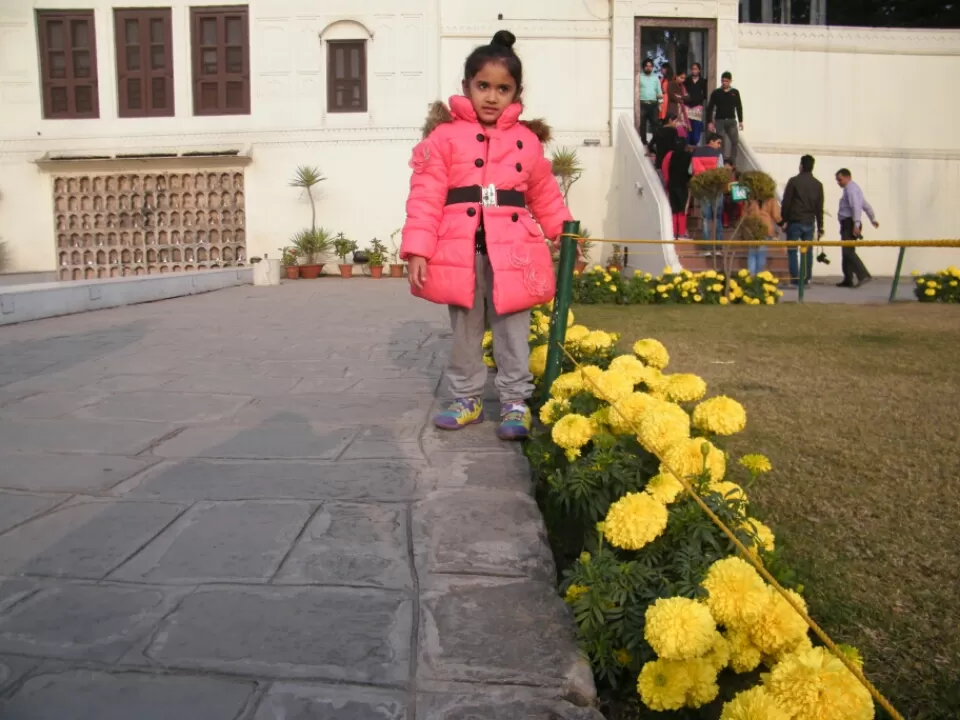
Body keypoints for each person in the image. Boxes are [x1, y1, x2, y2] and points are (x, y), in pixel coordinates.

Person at [401, 31, 571, 439]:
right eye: (483, 87)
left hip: (514, 254)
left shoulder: (526, 141)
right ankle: (466, 398)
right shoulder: (442, 139)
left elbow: (545, 194)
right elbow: (425, 197)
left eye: (502, 89)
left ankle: (514, 401)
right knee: (465, 331)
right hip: (459, 254)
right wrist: (418, 251)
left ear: (516, 93)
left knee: (513, 330)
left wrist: (565, 236)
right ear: (466, 87)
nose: (492, 97)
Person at [780, 154, 824, 287]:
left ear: (801, 166)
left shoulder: (794, 181)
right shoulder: (818, 185)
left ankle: (795, 278)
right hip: (809, 221)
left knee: (792, 250)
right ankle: (806, 277)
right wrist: (821, 226)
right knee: (808, 251)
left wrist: (784, 219)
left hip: (795, 220)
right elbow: (819, 208)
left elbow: (786, 202)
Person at [835, 168, 879, 288]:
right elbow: (864, 205)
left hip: (850, 223)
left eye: (840, 180)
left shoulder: (851, 190)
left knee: (848, 251)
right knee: (846, 251)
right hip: (849, 223)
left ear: (847, 177)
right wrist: (872, 218)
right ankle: (848, 278)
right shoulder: (853, 189)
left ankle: (863, 274)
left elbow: (856, 207)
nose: (839, 182)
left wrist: (856, 224)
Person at [690, 133, 725, 255]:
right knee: (717, 218)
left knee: (705, 219)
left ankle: (706, 249)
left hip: (703, 189)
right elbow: (721, 172)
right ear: (711, 141)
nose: (719, 146)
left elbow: (691, 170)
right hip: (716, 190)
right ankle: (718, 248)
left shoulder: (696, 152)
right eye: (718, 142)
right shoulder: (718, 155)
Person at [705, 71, 744, 166]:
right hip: (720, 121)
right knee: (720, 142)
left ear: (730, 81)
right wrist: (709, 122)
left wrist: (740, 121)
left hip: (731, 120)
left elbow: (739, 106)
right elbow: (709, 108)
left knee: (735, 141)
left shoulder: (735, 92)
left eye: (726, 81)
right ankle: (720, 162)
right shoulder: (716, 93)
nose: (724, 83)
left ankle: (733, 162)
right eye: (722, 81)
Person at [744, 191, 782, 276]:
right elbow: (776, 215)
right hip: (765, 228)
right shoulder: (771, 199)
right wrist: (782, 225)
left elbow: (744, 214)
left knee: (752, 253)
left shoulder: (750, 198)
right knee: (761, 253)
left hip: (752, 227)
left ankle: (751, 277)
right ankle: (758, 277)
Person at [663, 136, 693, 239]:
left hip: (672, 185)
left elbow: (664, 168)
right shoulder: (689, 156)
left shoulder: (670, 155)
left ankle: (674, 232)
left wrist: (668, 181)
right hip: (683, 185)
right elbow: (691, 171)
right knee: (682, 210)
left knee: (674, 209)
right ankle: (681, 233)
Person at [637, 58, 662, 147]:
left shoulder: (655, 78)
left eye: (650, 66)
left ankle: (654, 142)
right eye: (647, 66)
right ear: (643, 67)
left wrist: (660, 103)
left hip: (653, 104)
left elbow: (659, 91)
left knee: (655, 124)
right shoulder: (639, 77)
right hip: (642, 103)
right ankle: (644, 141)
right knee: (642, 124)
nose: (648, 68)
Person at [684, 62, 708, 146]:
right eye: (693, 69)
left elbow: (705, 94)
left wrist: (699, 99)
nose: (694, 71)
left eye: (696, 69)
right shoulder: (687, 80)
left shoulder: (703, 81)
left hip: (697, 107)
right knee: (687, 126)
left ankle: (695, 144)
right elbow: (684, 92)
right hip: (687, 107)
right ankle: (687, 145)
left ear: (699, 70)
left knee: (696, 127)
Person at [665, 70, 691, 139]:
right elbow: (672, 96)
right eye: (681, 78)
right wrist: (681, 98)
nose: (683, 80)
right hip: (673, 110)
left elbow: (688, 98)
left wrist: (680, 97)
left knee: (682, 129)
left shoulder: (683, 87)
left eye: (684, 78)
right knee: (673, 129)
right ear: (676, 76)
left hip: (681, 111)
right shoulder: (671, 84)